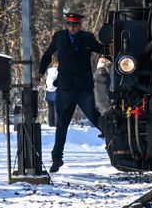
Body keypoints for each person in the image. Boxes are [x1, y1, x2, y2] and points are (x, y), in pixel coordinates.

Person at [37, 12, 104, 173]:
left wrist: (113, 50)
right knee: (62, 124)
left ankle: (114, 141)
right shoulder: (59, 37)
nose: (72, 28)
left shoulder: (87, 38)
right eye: (69, 25)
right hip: (65, 88)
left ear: (80, 25)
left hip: (83, 88)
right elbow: (48, 55)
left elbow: (102, 49)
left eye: (75, 25)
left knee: (95, 118)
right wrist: (40, 72)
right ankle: (56, 158)